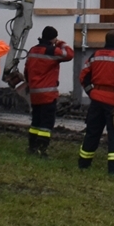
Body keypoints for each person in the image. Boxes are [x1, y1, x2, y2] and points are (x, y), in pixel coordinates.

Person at [78, 30, 114, 174]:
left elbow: (83, 76)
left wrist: (90, 91)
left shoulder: (95, 55)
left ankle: (83, 163)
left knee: (92, 131)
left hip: (96, 98)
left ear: (105, 40)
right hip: (113, 101)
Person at [25, 25, 74, 157]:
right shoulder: (52, 51)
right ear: (53, 39)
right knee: (46, 124)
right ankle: (42, 149)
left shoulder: (33, 50)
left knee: (35, 122)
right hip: (47, 94)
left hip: (34, 93)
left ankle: (32, 147)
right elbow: (69, 54)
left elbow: (26, 70)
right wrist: (60, 43)